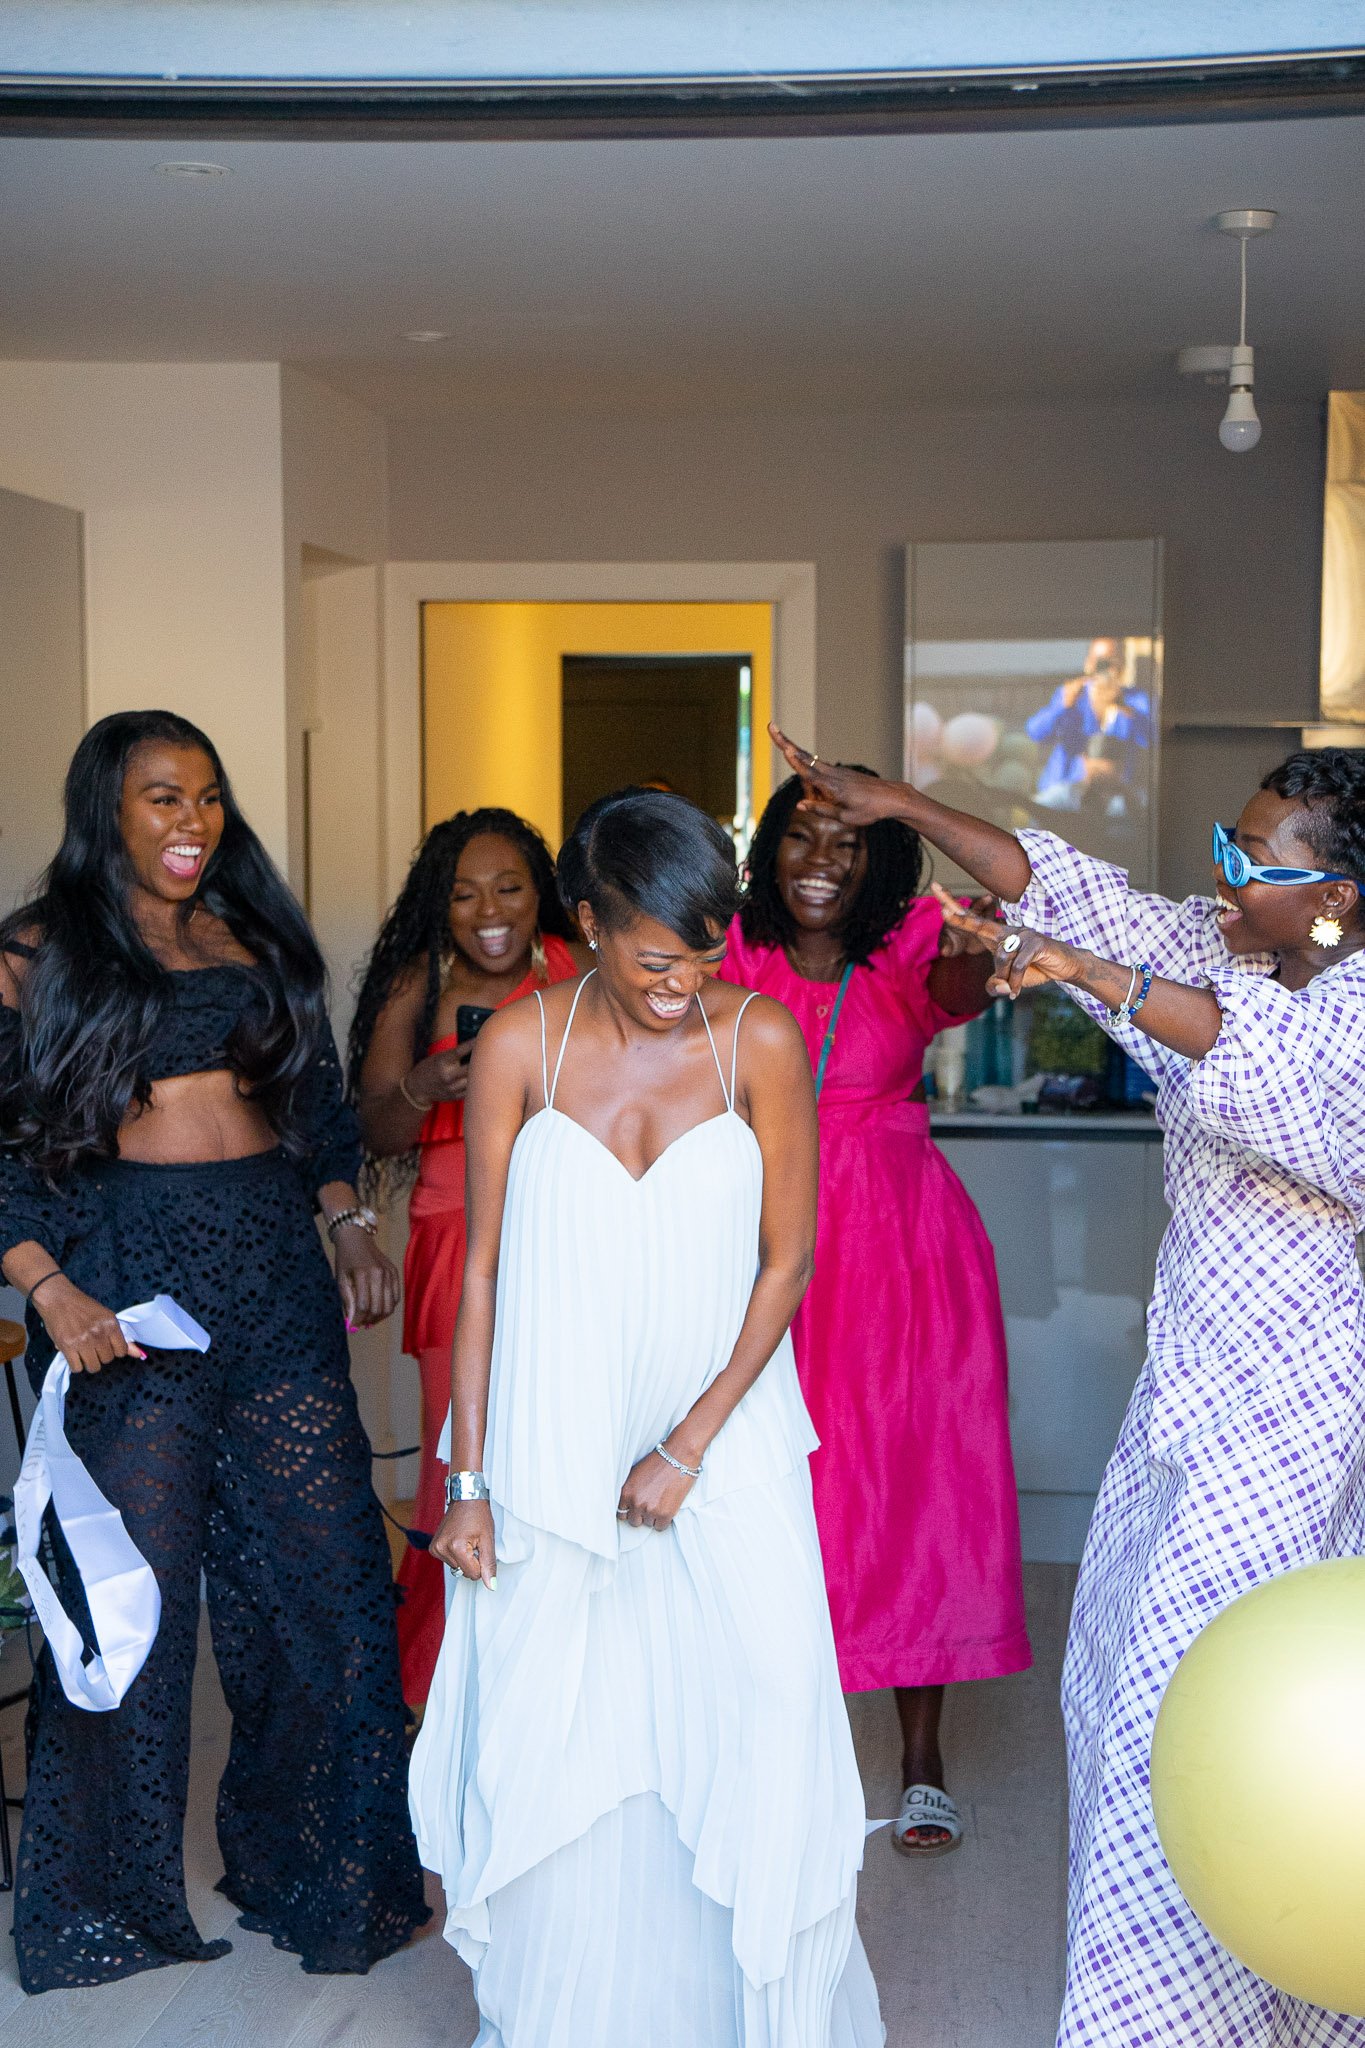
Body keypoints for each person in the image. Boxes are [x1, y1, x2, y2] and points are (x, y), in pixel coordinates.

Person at [771, 724, 1365, 2047]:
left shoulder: (1350, 1011)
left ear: (1336, 897)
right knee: (1112, 1698)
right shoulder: (1229, 947)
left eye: (1248, 856)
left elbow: (1255, 1057)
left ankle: (1178, 2024)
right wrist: (900, 802)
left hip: (1292, 1418)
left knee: (1215, 1733)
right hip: (1185, 1400)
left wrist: (1082, 971)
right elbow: (1069, 885)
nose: (1218, 874)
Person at [410, 788, 883, 2048]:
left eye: (706, 952)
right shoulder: (521, 1044)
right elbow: (488, 1275)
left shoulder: (760, 1039)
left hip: (722, 1442)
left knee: (762, 1706)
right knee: (559, 1731)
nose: (685, 981)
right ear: (591, 923)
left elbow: (789, 1261)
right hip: (549, 1441)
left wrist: (686, 1445)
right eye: (657, 956)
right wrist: (467, 1479)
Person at [0, 710, 429, 1993]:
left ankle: (326, 1869)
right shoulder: (34, 955)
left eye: (207, 797)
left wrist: (347, 1215)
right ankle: (100, 1904)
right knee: (131, 1605)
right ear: (107, 810)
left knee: (331, 1583)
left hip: (274, 1278)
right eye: (161, 798)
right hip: (127, 1291)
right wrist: (50, 1289)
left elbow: (313, 1110)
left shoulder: (252, 931)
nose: (193, 823)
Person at [719, 771, 1030, 1856]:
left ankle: (922, 1761)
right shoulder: (733, 955)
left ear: (881, 858)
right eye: (804, 837)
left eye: (850, 842)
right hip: (766, 1247)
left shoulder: (912, 944)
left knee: (918, 1483)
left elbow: (963, 980)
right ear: (769, 851)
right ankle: (773, 1748)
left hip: (906, 1255)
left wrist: (998, 949)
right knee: (774, 1488)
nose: (825, 859)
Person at [347, 809, 584, 1705]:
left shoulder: (577, 965)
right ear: (438, 908)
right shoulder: (422, 981)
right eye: (463, 893)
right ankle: (442, 1689)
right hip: (457, 1229)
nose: (489, 910)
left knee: (566, 1449)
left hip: (566, 1229)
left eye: (510, 888)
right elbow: (368, 1122)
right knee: (461, 1456)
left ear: (541, 896)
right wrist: (428, 1084)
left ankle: (551, 1679)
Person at [1026, 638, 1152, 811]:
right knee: (1041, 813)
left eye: (1110, 663)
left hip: (1115, 793)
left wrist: (1124, 707)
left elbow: (1154, 742)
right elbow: (1034, 733)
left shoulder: (1135, 700)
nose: (1103, 669)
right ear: (1088, 663)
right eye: (1098, 662)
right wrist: (1062, 706)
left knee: (1130, 815)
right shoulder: (1073, 695)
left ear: (1121, 665)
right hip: (1067, 786)